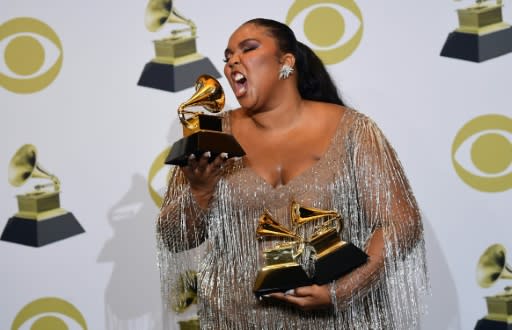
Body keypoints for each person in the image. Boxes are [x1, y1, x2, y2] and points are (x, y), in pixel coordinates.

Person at [157, 18, 429, 329]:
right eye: (228, 55)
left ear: (286, 62)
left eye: (248, 48)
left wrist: (343, 291)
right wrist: (201, 191)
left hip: (338, 321)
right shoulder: (212, 136)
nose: (233, 60)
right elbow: (174, 238)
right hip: (235, 319)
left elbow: (401, 223)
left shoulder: (354, 130)